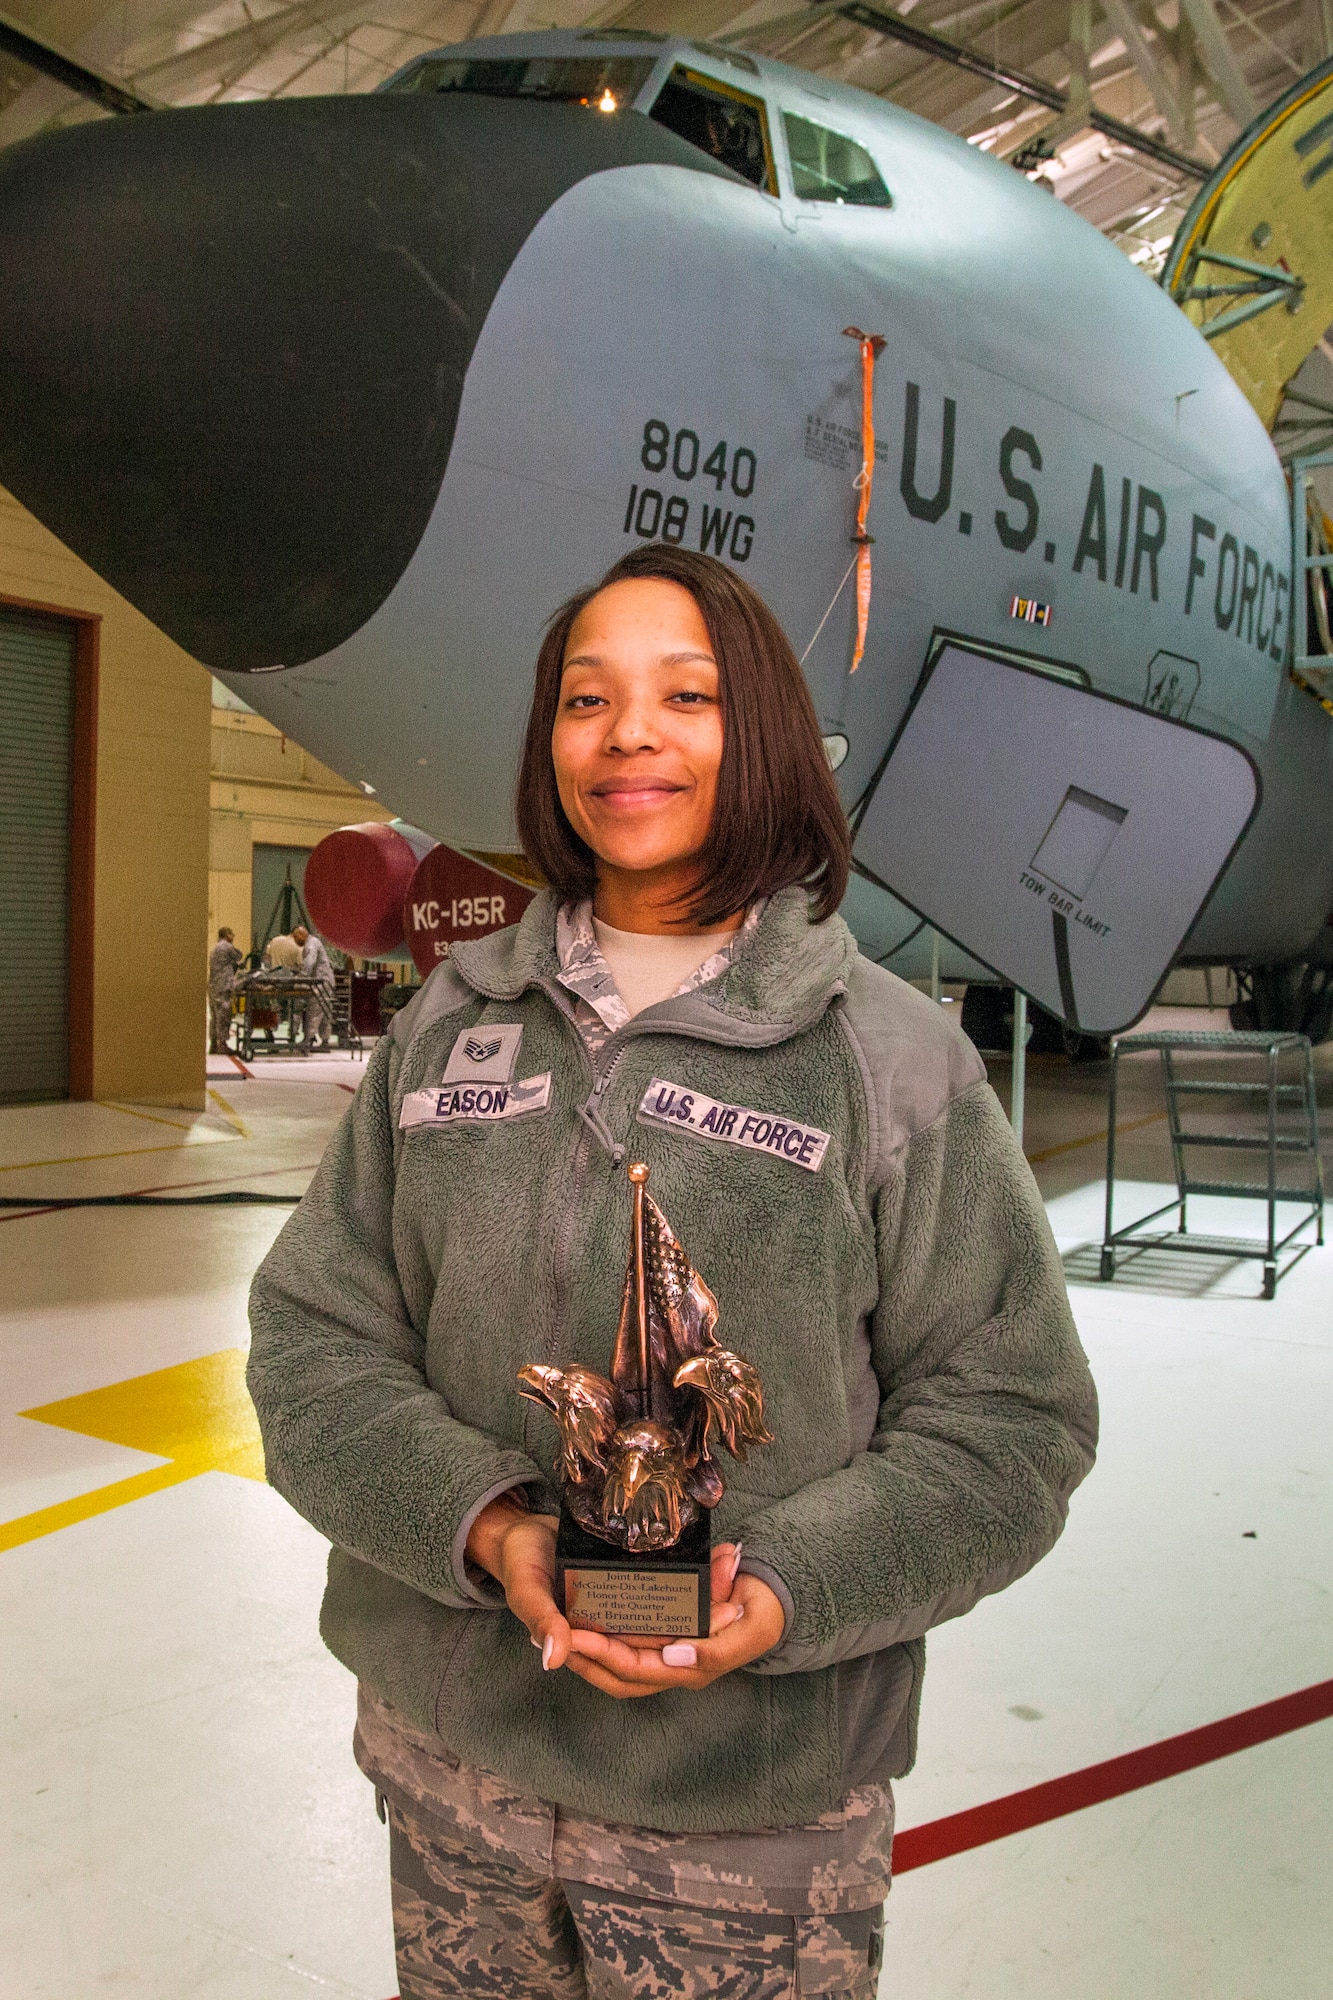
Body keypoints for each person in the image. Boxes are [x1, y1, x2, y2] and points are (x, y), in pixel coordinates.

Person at [247, 545, 1097, 2000]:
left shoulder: (886, 1060)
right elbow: (313, 1340)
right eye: (587, 698)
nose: (627, 732)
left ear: (754, 731)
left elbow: (1010, 1421)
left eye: (683, 695)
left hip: (745, 1825)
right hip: (457, 1776)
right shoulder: (453, 1027)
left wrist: (781, 1590)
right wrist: (492, 1529)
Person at [292, 924, 335, 1051]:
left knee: (314, 1010)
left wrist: (300, 978)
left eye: (296, 936)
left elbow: (309, 963)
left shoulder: (311, 945)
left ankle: (308, 1039)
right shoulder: (314, 942)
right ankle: (325, 1040)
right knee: (325, 1011)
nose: (295, 940)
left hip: (321, 982)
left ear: (302, 934)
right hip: (325, 981)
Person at [207, 926, 243, 1054]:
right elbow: (239, 956)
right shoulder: (226, 946)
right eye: (231, 934)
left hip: (213, 986)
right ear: (227, 935)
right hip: (223, 986)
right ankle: (222, 1045)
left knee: (215, 1016)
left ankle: (213, 1044)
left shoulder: (215, 948)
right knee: (224, 1014)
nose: (233, 937)